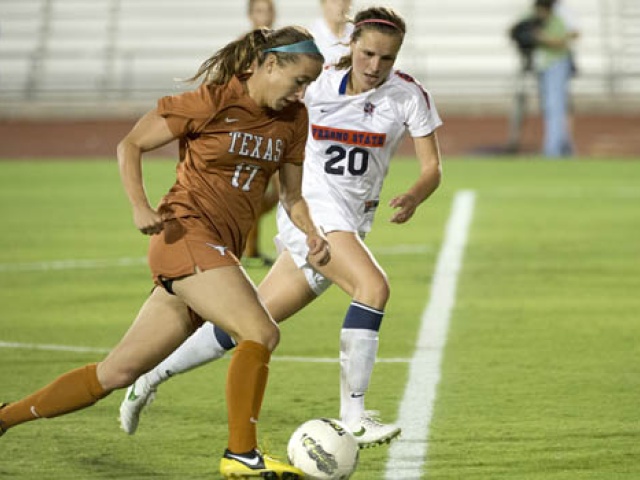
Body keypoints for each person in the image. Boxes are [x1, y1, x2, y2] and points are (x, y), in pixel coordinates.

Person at [0, 26, 329, 480]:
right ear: (270, 65)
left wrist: (312, 233)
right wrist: (139, 206)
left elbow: (291, 197)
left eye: (309, 84)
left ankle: (3, 418)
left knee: (114, 374)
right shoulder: (212, 101)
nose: (303, 91)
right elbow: (130, 144)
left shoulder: (294, 119)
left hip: (215, 254)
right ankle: (241, 455)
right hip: (186, 236)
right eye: (299, 81)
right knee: (260, 331)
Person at [119, 5, 442, 449]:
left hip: (353, 219)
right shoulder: (316, 83)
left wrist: (414, 195)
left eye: (387, 58)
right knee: (373, 288)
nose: (375, 66)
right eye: (367, 54)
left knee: (250, 323)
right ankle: (354, 416)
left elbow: (432, 169)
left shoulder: (408, 95)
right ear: (352, 46)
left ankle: (150, 375)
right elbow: (264, 99)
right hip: (313, 212)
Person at [244, 0, 281, 266]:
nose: (265, 15)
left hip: (279, 126)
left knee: (283, 191)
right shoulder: (243, 48)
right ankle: (249, 251)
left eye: (268, 10)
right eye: (259, 11)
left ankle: (252, 249)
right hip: (252, 127)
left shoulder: (283, 46)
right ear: (250, 15)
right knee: (253, 189)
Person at [532, 0, 577, 157]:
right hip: (542, 63)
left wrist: (547, 39)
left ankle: (553, 150)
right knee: (551, 107)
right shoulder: (537, 8)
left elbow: (574, 34)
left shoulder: (563, 11)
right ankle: (564, 147)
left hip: (557, 62)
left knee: (555, 106)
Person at [309, 0, 354, 66]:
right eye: (334, 1)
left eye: (345, 0)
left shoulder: (358, 35)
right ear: (323, 3)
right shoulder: (311, 37)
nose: (341, 5)